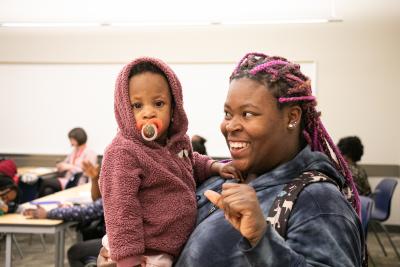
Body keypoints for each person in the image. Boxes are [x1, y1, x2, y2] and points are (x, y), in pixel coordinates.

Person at [98, 52, 364, 267]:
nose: (230, 126)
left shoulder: (317, 202)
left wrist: (262, 239)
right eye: (228, 114)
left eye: (247, 114)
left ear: (292, 117)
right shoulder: (230, 173)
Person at [99, 57, 238, 267]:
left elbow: (190, 163)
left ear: (174, 107)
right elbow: (121, 210)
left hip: (170, 248)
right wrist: (129, 261)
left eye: (158, 103)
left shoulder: (178, 142)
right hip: (144, 254)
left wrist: (214, 166)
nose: (148, 112)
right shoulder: (123, 151)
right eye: (137, 105)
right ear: (124, 109)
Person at [23, 160, 104, 267]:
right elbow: (98, 201)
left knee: (75, 252)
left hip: (121, 242)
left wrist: (48, 213)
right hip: (118, 238)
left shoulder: (120, 189)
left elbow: (87, 211)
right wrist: (94, 179)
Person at [38, 127, 97, 197]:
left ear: (79, 138)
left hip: (77, 182)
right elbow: (65, 163)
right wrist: (61, 165)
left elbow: (88, 172)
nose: (70, 142)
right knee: (48, 190)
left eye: (72, 139)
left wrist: (70, 167)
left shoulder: (90, 153)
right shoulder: (74, 151)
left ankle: (33, 204)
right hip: (67, 179)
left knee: (45, 182)